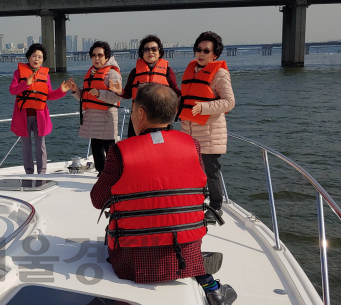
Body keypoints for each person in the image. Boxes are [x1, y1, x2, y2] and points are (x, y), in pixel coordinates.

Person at [91, 83, 237, 305]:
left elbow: (97, 200)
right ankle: (210, 286)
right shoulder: (193, 146)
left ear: (140, 113)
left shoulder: (120, 152)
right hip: (185, 256)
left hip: (131, 262)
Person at [178, 31, 235, 222]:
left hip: (210, 132)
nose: (201, 54)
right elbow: (185, 96)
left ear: (215, 55)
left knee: (211, 171)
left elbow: (229, 102)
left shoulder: (219, 73)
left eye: (206, 51)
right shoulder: (192, 70)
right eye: (198, 50)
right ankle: (196, 202)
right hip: (189, 131)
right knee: (192, 170)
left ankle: (216, 207)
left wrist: (204, 107)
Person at [9, 43, 70, 174]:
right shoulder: (18, 73)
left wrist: (61, 91)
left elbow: (48, 95)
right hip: (23, 115)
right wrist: (26, 83)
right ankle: (29, 172)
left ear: (43, 60)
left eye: (40, 57)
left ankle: (42, 172)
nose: (36, 59)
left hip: (40, 115)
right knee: (26, 146)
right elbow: (12, 90)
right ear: (28, 57)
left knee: (41, 145)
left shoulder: (45, 75)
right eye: (34, 56)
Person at [108, 35, 181, 138]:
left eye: (154, 49)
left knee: (159, 148)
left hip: (160, 118)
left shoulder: (168, 72)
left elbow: (176, 93)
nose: (150, 52)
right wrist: (120, 91)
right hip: (139, 117)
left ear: (159, 52)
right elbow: (128, 93)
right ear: (142, 53)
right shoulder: (135, 72)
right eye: (146, 49)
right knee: (135, 147)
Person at [67, 41, 122, 175]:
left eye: (100, 55)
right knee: (96, 147)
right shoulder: (91, 73)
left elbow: (117, 97)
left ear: (107, 57)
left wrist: (99, 93)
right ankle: (101, 173)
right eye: (93, 55)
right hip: (92, 115)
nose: (96, 58)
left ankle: (113, 174)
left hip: (106, 116)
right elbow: (85, 97)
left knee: (109, 147)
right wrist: (75, 90)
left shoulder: (112, 74)